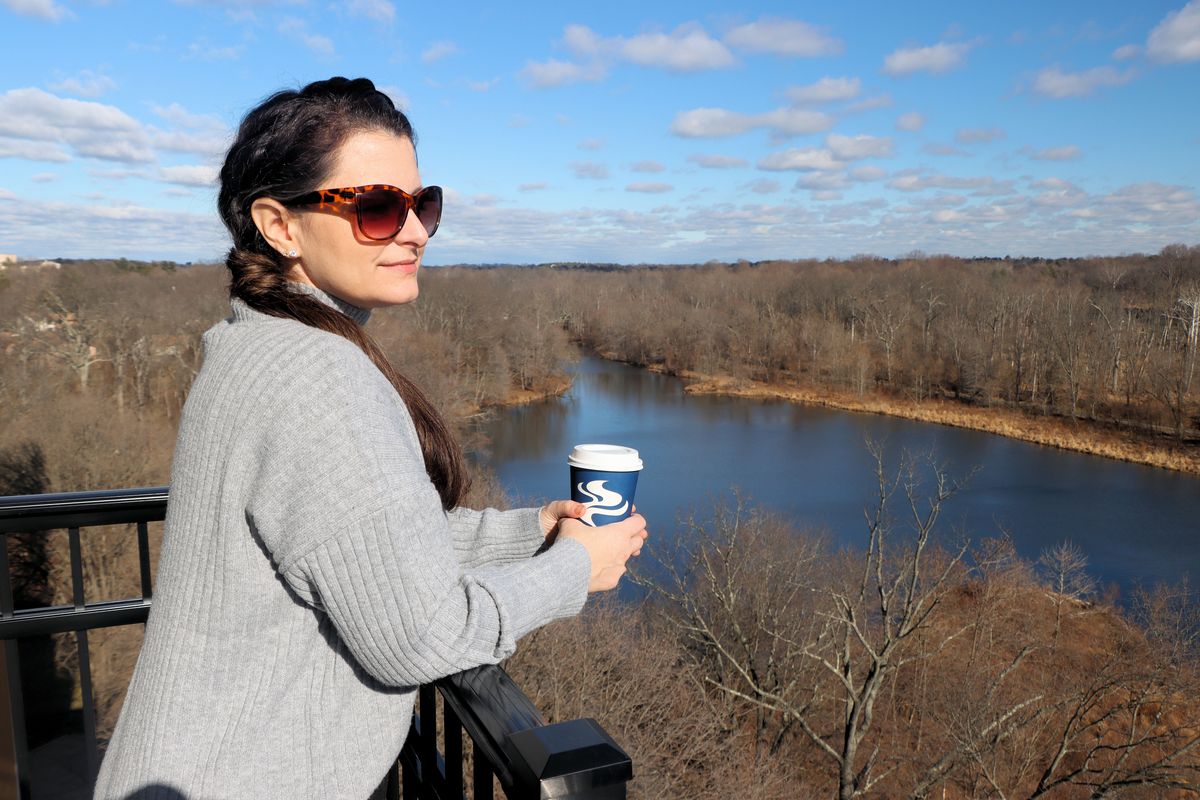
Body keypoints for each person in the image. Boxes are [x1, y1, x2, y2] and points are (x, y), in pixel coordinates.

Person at [94, 76, 648, 799]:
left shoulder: (258, 344)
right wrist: (574, 569)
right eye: (380, 208)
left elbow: (359, 545)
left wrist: (532, 532)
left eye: (424, 205)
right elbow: (419, 638)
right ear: (279, 224)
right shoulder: (316, 377)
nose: (416, 230)